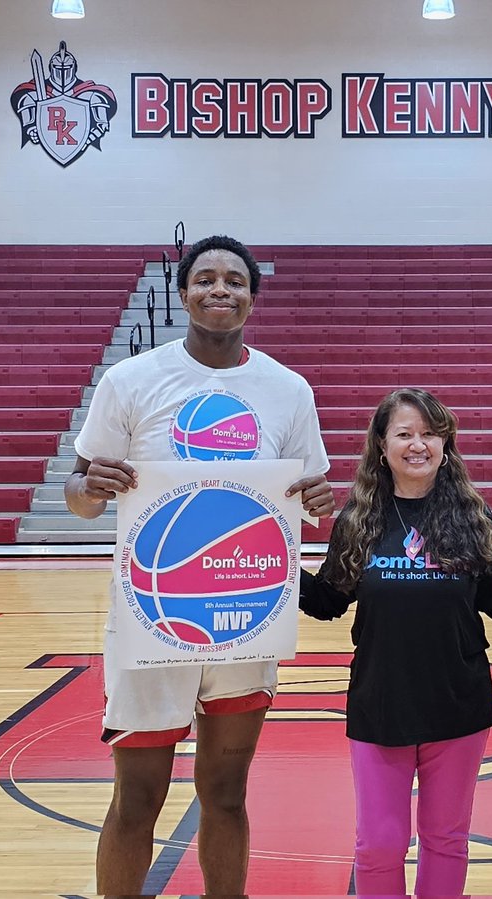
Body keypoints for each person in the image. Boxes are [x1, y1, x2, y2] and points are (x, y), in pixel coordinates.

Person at [65, 234, 334, 895]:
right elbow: (78, 497)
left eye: (235, 280)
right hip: (151, 613)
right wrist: (90, 486)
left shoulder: (287, 389)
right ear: (183, 293)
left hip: (244, 612)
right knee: (138, 796)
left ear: (252, 296)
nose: (222, 289)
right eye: (207, 278)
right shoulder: (131, 380)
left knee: (225, 790)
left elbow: (311, 497)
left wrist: (319, 498)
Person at [299, 387, 492, 897]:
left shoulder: (475, 518)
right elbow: (328, 600)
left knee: (446, 838)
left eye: (431, 434)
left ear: (446, 444)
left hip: (457, 703)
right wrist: (275, 559)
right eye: (405, 434)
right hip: (381, 702)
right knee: (379, 842)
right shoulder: (358, 520)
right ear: (381, 445)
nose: (419, 445)